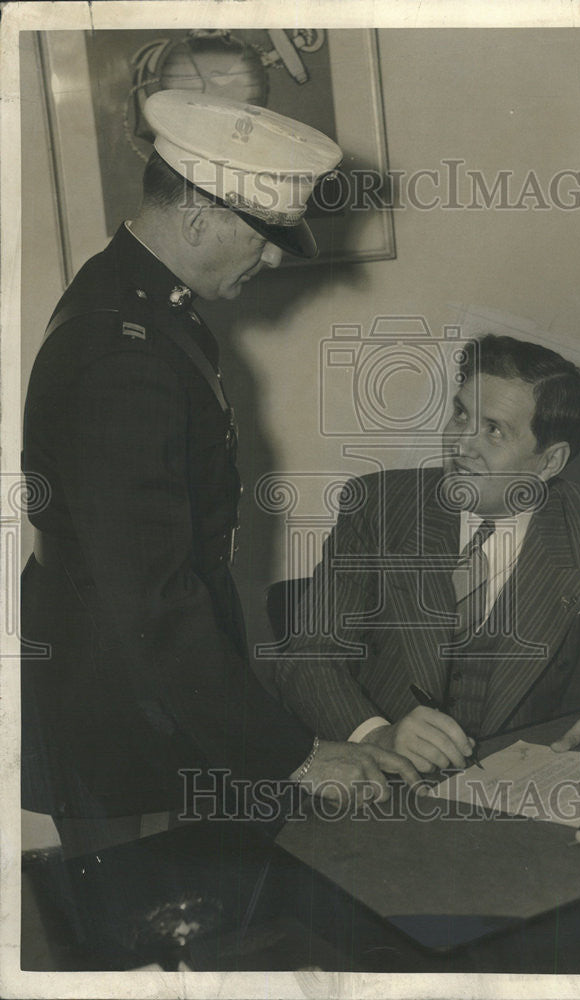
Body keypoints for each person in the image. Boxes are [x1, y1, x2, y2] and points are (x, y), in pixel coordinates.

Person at [21, 90, 416, 861]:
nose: (273, 257)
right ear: (198, 215)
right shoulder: (123, 354)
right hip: (128, 722)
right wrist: (298, 756)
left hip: (154, 692)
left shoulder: (142, 302)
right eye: (264, 235)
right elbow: (154, 600)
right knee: (162, 946)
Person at [271, 334, 580, 777]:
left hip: (509, 785)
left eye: (493, 431)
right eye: (461, 415)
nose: (460, 443)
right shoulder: (378, 507)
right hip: (374, 775)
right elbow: (308, 659)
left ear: (548, 462)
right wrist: (377, 734)